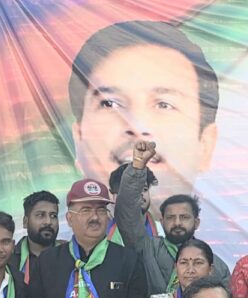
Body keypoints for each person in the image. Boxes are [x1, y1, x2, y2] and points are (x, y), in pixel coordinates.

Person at [68, 20, 219, 222]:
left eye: (164, 105)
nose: (137, 126)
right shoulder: (61, 245)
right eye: (110, 103)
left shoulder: (207, 244)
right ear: (78, 140)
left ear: (205, 146)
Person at [114, 141, 230, 293]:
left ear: (196, 222)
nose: (177, 223)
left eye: (184, 217)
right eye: (170, 217)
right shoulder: (148, 248)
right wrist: (137, 168)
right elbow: (126, 212)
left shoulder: (216, 265)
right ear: (162, 222)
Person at [11, 190, 62, 285]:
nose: (48, 222)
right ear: (25, 222)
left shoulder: (70, 254)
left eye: (53, 216)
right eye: (40, 215)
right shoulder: (10, 259)